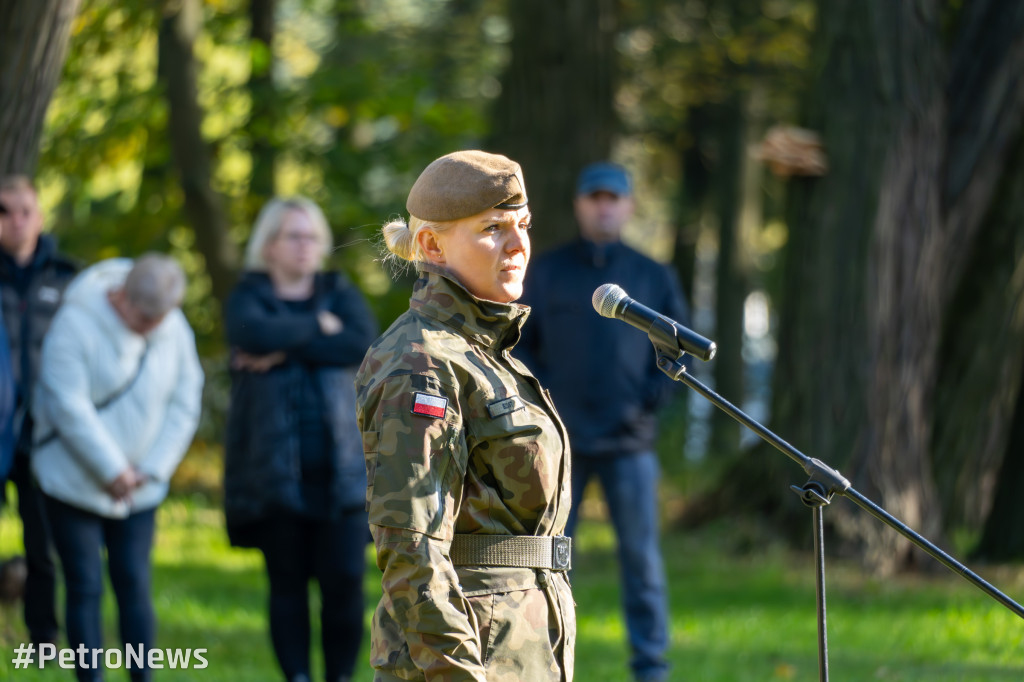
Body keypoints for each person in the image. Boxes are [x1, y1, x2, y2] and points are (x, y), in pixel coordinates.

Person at [355, 150, 575, 682]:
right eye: (493, 229)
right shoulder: (422, 362)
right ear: (432, 244)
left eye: (523, 225)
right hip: (461, 660)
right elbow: (411, 550)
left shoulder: (482, 353)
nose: (519, 244)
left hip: (518, 651)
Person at [517, 162, 688, 682]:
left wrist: (645, 403)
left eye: (614, 197)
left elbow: (677, 352)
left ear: (629, 205)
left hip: (630, 443)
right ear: (578, 204)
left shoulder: (652, 275)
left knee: (642, 564)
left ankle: (651, 668)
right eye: (595, 197)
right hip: (558, 447)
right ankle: (540, 664)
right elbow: (521, 347)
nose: (604, 206)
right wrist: (544, 406)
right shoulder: (544, 272)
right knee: (544, 564)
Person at [223, 197, 377, 682]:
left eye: (312, 235)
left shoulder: (339, 290)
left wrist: (280, 349)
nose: (306, 245)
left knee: (346, 583)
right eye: (294, 235)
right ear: (268, 245)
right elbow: (249, 332)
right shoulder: (249, 294)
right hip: (273, 468)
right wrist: (315, 328)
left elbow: (359, 342)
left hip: (343, 470)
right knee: (286, 583)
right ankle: (297, 677)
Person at [32, 254, 204, 682]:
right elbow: (66, 404)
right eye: (147, 318)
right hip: (71, 480)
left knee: (133, 582)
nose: (156, 327)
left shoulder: (170, 323)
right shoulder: (76, 321)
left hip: (141, 487)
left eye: (162, 317)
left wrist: (151, 468)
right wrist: (112, 469)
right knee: (85, 584)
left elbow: (186, 399)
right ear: (122, 298)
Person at [0, 174, 79, 648]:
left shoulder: (70, 279)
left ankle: (44, 641)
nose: (15, 221)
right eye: (3, 211)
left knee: (44, 547)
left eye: (24, 210)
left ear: (40, 215)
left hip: (45, 432)